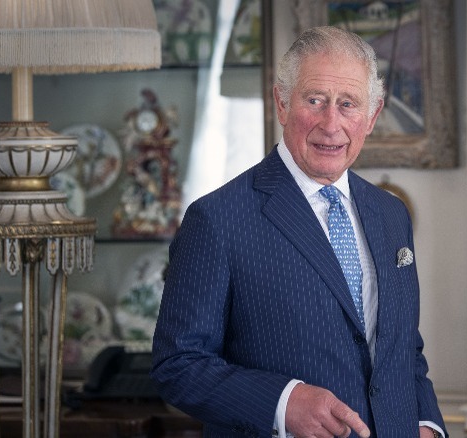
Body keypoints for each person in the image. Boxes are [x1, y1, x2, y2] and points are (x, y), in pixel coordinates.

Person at [151, 26, 448, 438]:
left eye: (348, 104)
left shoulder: (391, 214)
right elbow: (177, 365)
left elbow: (403, 349)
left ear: (372, 116)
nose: (332, 124)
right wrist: (282, 402)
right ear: (282, 103)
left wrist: (427, 425)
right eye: (315, 100)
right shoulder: (217, 219)